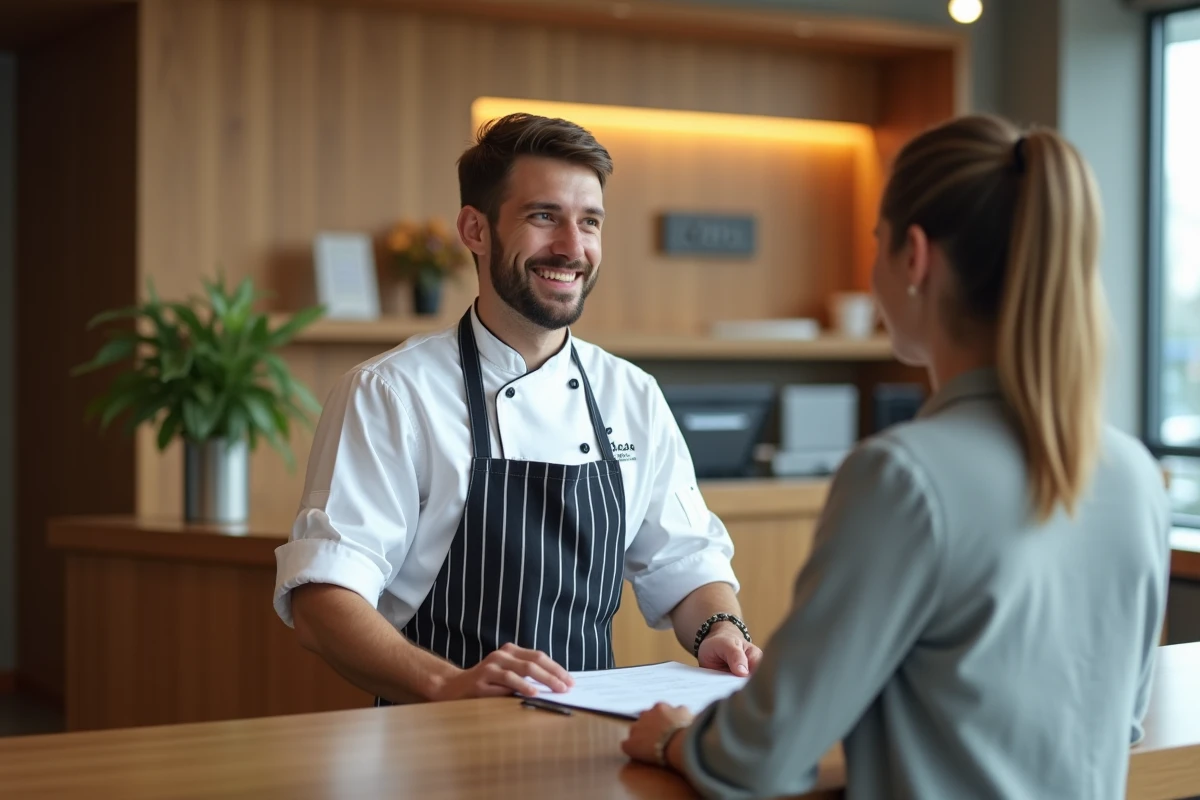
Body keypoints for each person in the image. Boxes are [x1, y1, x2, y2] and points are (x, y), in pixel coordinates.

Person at [622, 114, 1173, 798]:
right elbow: (1117, 722)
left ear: (914, 257)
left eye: (875, 242)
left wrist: (674, 738)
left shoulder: (903, 478)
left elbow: (759, 755)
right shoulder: (1136, 475)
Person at [273, 112, 762, 705]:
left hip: (592, 738)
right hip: (429, 742)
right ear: (475, 230)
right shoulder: (392, 393)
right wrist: (447, 684)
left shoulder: (632, 394)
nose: (572, 247)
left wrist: (720, 630)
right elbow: (324, 597)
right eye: (543, 217)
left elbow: (687, 564)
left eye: (589, 222)